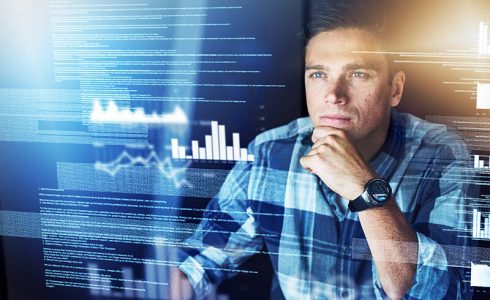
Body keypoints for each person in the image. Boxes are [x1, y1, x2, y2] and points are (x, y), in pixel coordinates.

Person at [173, 1, 474, 299]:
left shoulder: (442, 157)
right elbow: (201, 260)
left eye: (358, 74)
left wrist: (365, 189)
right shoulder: (270, 152)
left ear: (395, 89)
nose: (333, 95)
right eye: (318, 74)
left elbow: (441, 294)